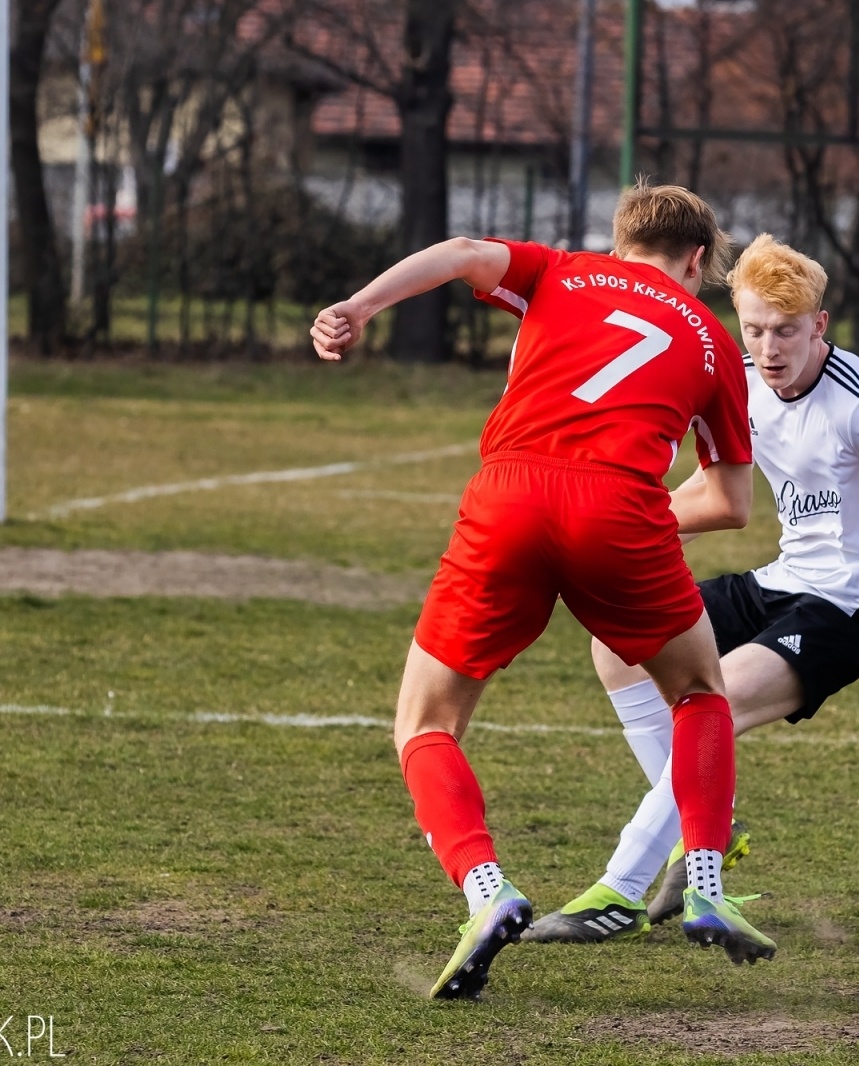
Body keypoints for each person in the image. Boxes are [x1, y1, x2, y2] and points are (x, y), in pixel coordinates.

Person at [310, 184, 778, 1001]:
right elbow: (732, 503)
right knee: (702, 691)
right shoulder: (710, 336)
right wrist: (623, 512)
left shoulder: (561, 272)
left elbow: (459, 255)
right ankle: (703, 877)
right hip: (624, 511)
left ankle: (487, 894)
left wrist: (359, 304)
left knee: (426, 721)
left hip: (510, 500)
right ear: (698, 260)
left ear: (619, 239)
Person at [525, 233, 859, 943]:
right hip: (779, 583)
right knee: (617, 641)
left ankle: (618, 889)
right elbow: (712, 488)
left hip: (847, 611)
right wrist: (617, 542)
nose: (770, 348)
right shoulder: (735, 378)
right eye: (756, 328)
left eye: (787, 331)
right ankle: (710, 820)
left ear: (817, 326)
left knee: (716, 699)